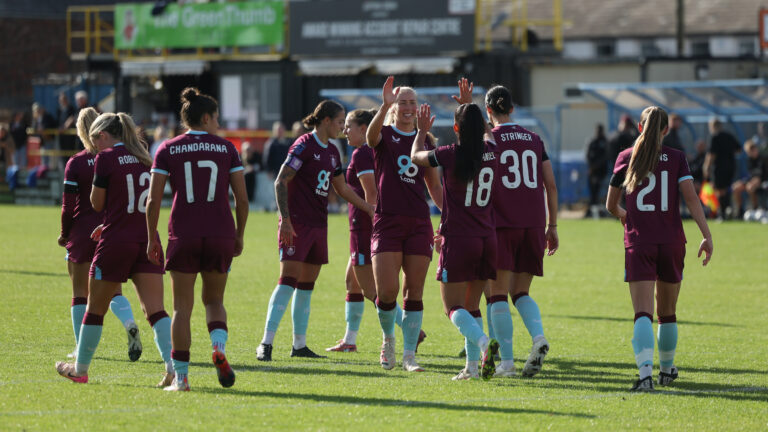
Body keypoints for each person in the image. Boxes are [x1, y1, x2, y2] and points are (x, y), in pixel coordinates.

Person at [55, 112, 174, 387]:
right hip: (147, 239)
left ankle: (80, 369)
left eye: (95, 140)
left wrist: (110, 222)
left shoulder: (105, 158)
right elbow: (148, 202)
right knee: (156, 311)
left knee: (94, 309)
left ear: (102, 135)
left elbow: (97, 204)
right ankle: (174, 369)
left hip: (115, 242)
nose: (94, 146)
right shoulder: (145, 156)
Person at [146, 87, 248, 391]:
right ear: (205, 117)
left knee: (181, 309)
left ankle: (183, 378)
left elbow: (153, 200)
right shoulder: (227, 149)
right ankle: (218, 348)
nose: (218, 124)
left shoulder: (166, 148)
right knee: (215, 301)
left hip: (183, 233)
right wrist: (239, 235)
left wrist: (151, 237)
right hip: (220, 232)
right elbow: (241, 200)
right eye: (216, 118)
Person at [606, 106, 713, 392]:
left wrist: (623, 215)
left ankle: (645, 376)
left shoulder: (626, 157)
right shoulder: (677, 158)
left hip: (640, 241)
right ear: (665, 130)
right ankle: (666, 370)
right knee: (668, 312)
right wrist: (706, 235)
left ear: (639, 128)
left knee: (643, 312)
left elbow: (610, 204)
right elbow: (692, 200)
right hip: (673, 241)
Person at [256, 101, 374, 361]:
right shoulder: (304, 144)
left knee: (307, 286)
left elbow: (342, 189)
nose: (343, 126)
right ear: (326, 121)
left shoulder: (333, 151)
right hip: (297, 223)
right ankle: (266, 343)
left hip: (319, 224)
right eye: (340, 120)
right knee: (287, 282)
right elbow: (281, 181)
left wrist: (368, 208)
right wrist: (285, 219)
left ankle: (299, 345)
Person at [410, 99, 502, 380]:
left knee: (452, 307)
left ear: (456, 127)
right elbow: (487, 133)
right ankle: (471, 369)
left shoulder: (450, 153)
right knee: (471, 305)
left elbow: (416, 157)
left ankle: (485, 344)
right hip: (487, 238)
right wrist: (471, 109)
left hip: (459, 238)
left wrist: (421, 132)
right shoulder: (492, 151)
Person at [365, 76, 443, 372]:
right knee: (386, 292)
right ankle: (388, 339)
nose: (409, 107)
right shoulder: (384, 134)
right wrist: (383, 106)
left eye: (413, 102)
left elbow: (434, 188)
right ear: (394, 108)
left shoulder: (428, 141)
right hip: (387, 222)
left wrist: (448, 218)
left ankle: (410, 355)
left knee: (414, 292)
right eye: (402, 102)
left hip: (419, 223)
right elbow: (371, 138)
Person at [484, 84, 559, 378]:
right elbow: (550, 185)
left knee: (498, 294)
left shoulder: (489, 139)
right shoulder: (534, 139)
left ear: (489, 111)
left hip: (501, 224)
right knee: (521, 292)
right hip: (533, 225)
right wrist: (552, 225)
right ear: (512, 108)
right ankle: (538, 338)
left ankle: (506, 363)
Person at [58, 107, 141, 362]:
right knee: (115, 291)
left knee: (80, 293)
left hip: (83, 232)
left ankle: (80, 348)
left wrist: (64, 234)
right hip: (112, 230)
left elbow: (68, 206)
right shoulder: (121, 157)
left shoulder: (77, 162)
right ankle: (130, 324)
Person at [326, 109, 378, 352]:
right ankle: (350, 340)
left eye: (349, 126)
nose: (345, 131)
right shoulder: (369, 152)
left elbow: (371, 194)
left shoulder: (363, 153)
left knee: (372, 291)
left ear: (365, 129)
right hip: (362, 226)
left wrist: (374, 218)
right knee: (352, 282)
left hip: (364, 227)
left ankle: (409, 327)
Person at [703, 118, 740, 218]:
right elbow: (739, 149)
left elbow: (712, 154)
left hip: (718, 167)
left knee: (718, 190)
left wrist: (706, 166)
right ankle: (728, 210)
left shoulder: (714, 137)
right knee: (726, 189)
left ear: (712, 126)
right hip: (730, 166)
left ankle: (722, 213)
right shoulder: (729, 136)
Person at [731, 140, 767, 215]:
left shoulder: (762, 158)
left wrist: (752, 180)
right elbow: (750, 174)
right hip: (751, 179)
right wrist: (745, 181)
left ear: (754, 149)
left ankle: (755, 208)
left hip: (761, 180)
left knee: (750, 187)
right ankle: (740, 210)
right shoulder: (749, 159)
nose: (748, 154)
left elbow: (760, 174)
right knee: (735, 187)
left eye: (749, 152)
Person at [585, 124, 608, 218]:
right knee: (593, 192)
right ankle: (591, 211)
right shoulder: (592, 141)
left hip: (601, 172)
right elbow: (587, 155)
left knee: (599, 192)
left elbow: (605, 157)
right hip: (592, 171)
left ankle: (598, 212)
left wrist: (596, 166)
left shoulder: (605, 142)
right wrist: (591, 167)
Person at [57, 93, 77, 168]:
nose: (62, 101)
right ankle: (64, 167)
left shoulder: (71, 108)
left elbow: (73, 118)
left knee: (70, 153)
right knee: (63, 153)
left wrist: (65, 126)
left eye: (64, 100)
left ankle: (71, 167)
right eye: (61, 100)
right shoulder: (59, 110)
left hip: (70, 137)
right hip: (62, 136)